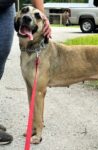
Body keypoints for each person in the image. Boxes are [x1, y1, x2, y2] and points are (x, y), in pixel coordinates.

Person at [0, 0, 51, 145]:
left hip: (5, 6)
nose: (28, 16)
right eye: (24, 11)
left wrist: (44, 17)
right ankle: (36, 127)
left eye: (36, 16)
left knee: (0, 57)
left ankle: (36, 127)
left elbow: (39, 92)